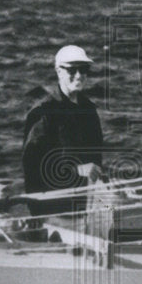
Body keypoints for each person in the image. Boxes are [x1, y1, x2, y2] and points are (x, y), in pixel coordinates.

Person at [21, 45, 104, 218]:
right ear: (59, 71)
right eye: (72, 70)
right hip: (51, 209)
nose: (79, 75)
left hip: (84, 206)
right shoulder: (43, 113)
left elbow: (96, 160)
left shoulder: (89, 111)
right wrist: (76, 170)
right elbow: (33, 168)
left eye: (84, 69)